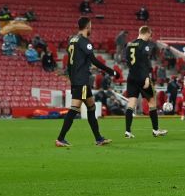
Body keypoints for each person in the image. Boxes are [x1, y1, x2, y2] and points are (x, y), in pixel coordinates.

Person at [55, 17, 119, 147]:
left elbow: (70, 62)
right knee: (74, 109)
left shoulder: (72, 40)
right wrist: (111, 71)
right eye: (91, 26)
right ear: (87, 26)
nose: (91, 28)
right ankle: (60, 138)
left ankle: (99, 138)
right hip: (82, 80)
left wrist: (72, 79)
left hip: (77, 79)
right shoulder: (84, 41)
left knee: (91, 107)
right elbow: (94, 60)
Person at [124, 26, 167, 139]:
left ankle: (128, 131)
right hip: (142, 77)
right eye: (150, 35)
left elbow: (127, 61)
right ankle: (156, 130)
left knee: (131, 104)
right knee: (152, 102)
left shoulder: (129, 45)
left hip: (131, 77)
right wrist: (146, 77)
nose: (150, 37)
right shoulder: (144, 45)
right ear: (146, 33)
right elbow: (144, 61)